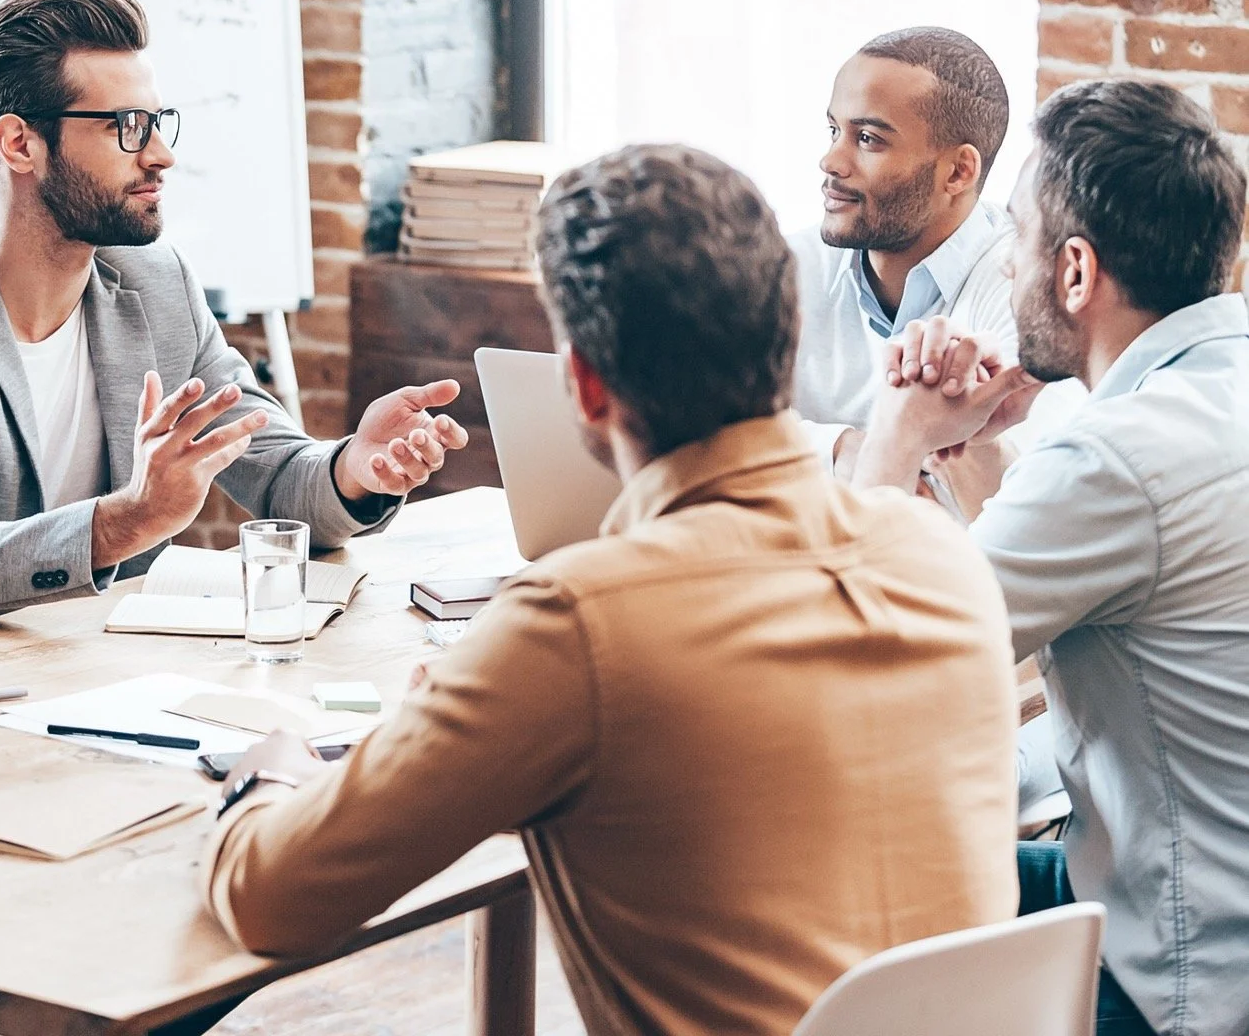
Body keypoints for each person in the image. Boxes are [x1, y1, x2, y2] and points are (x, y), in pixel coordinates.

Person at [199, 144, 1020, 1035]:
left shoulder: (581, 624)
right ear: (783, 347)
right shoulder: (944, 561)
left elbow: (269, 899)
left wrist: (268, 777)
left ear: (584, 385)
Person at [0, 0, 467, 626]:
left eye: (156, 122)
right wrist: (127, 523)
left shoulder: (156, 284)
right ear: (19, 143)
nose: (161, 155)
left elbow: (277, 475)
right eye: (126, 127)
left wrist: (355, 469)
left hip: (104, 681)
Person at [849, 78, 1249, 1036]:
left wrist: (896, 436)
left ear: (1073, 270)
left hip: (1189, 972)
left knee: (828, 869)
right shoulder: (1202, 400)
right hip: (1200, 888)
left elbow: (863, 662)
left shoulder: (1113, 459)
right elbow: (1064, 587)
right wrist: (980, 450)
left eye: (1015, 235)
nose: (1005, 264)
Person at [793, 27, 1017, 514]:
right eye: (834, 131)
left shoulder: (1023, 291)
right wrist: (841, 450)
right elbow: (711, 439)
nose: (830, 161)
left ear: (958, 172)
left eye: (868, 139)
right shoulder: (785, 270)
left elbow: (1019, 511)